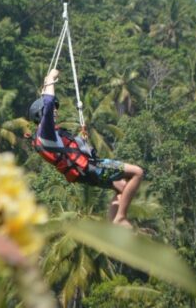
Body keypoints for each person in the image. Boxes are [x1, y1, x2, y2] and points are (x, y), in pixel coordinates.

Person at [28, 69, 143, 228]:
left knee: (122, 187)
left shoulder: (49, 136)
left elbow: (66, 150)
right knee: (137, 172)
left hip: (83, 172)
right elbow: (47, 103)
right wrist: (50, 80)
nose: (55, 111)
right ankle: (120, 217)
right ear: (40, 115)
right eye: (53, 109)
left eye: (56, 108)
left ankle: (113, 227)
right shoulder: (45, 132)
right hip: (90, 167)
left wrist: (81, 142)